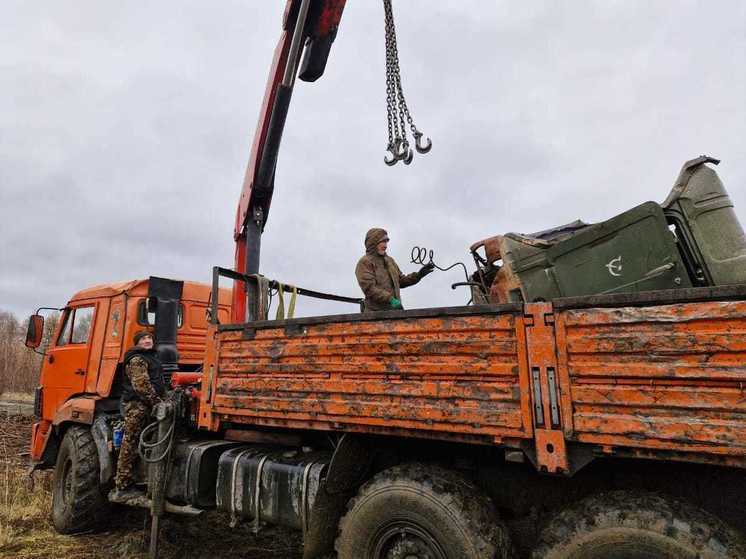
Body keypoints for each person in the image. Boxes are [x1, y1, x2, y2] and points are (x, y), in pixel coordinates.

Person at [110, 330, 166, 501]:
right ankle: (123, 486)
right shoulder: (137, 359)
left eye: (149, 337)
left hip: (147, 405)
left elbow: (158, 382)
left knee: (145, 442)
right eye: (143, 338)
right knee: (131, 443)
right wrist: (157, 402)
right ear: (137, 342)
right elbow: (141, 385)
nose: (148, 340)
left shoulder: (152, 357)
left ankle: (140, 480)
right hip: (137, 406)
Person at [355, 228, 434, 312]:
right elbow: (369, 289)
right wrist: (390, 299)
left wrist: (418, 275)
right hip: (375, 315)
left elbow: (401, 281)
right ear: (373, 243)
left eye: (386, 242)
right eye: (382, 242)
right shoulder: (365, 262)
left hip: (394, 313)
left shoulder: (390, 261)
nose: (385, 246)